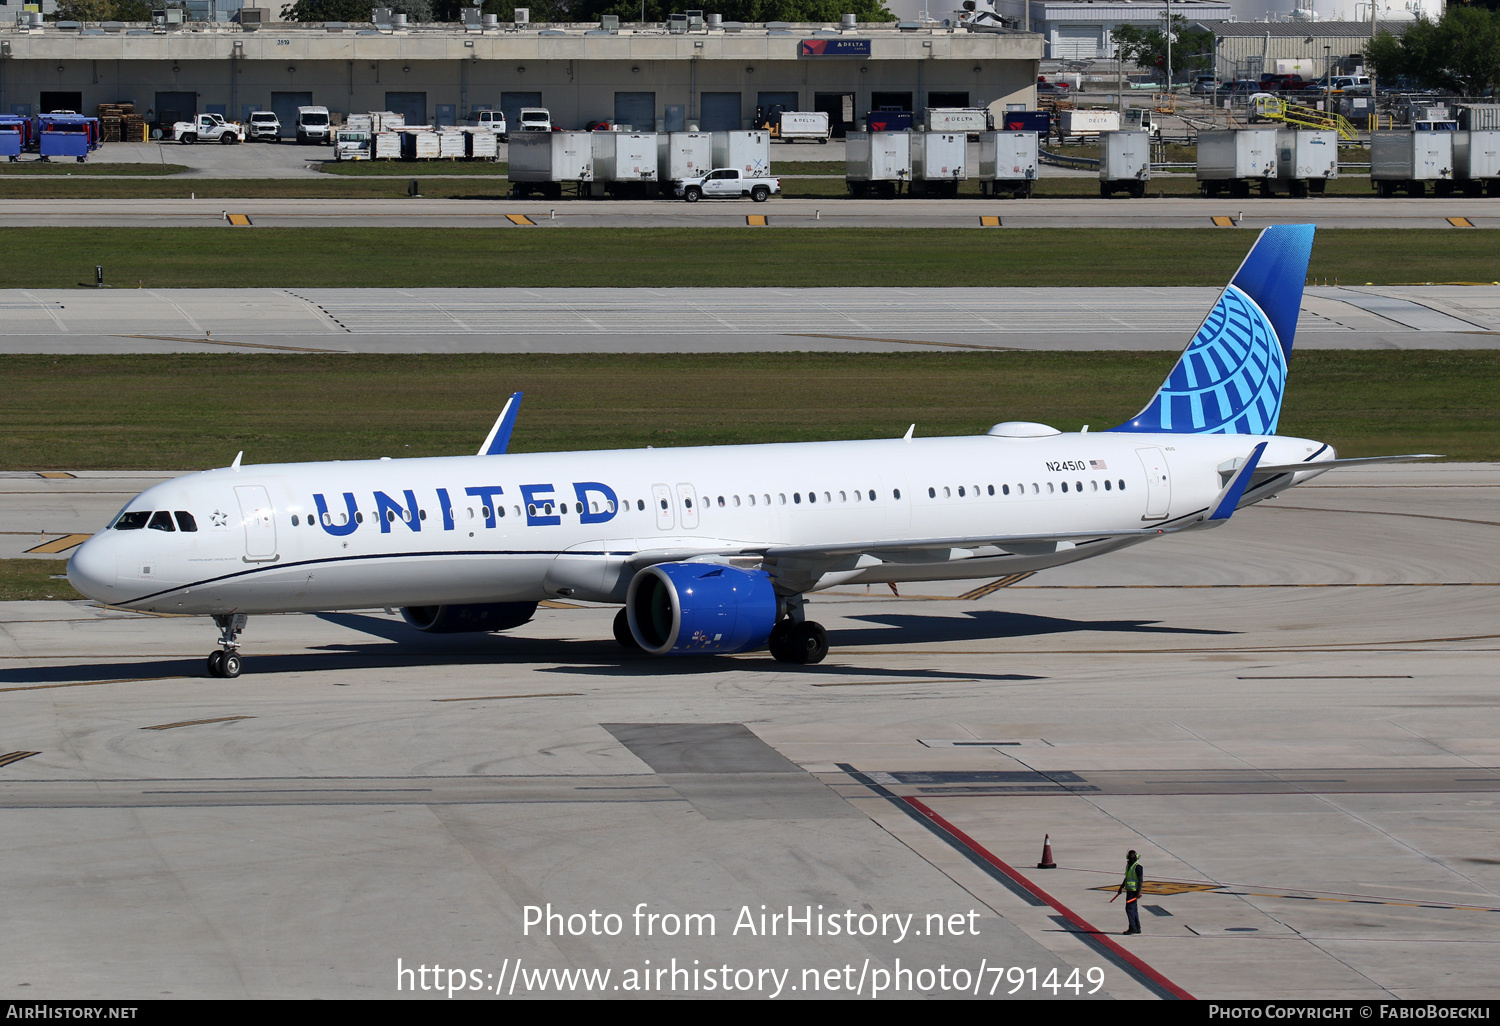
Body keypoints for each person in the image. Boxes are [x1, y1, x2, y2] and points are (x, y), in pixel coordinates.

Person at [1116, 850, 1143, 935]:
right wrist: (1121, 887)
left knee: (1129, 909)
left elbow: (1141, 880)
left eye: (1132, 856)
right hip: (1129, 890)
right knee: (1134, 909)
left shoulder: (1137, 867)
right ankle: (1137, 927)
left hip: (1134, 891)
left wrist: (1138, 892)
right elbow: (1127, 877)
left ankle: (1132, 928)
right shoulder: (1129, 866)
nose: (1131, 857)